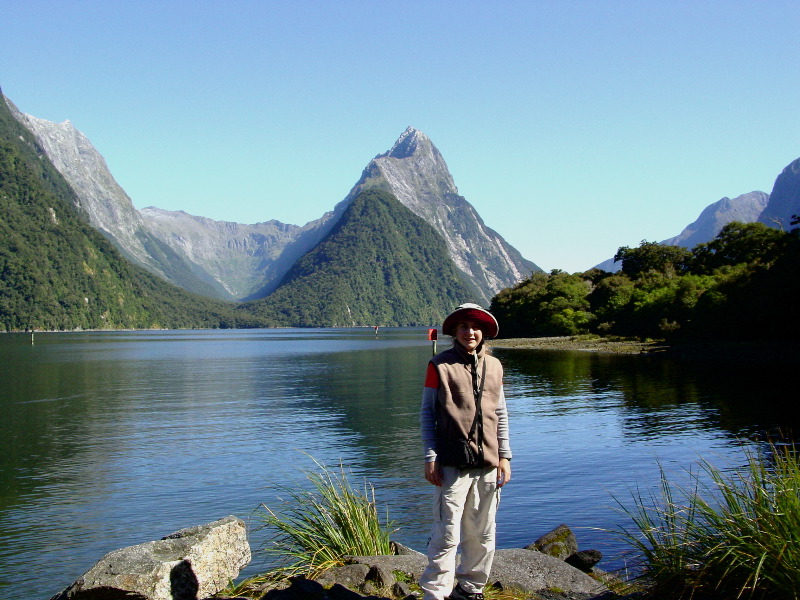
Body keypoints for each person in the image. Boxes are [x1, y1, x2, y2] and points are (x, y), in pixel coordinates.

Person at [419, 303, 512, 600]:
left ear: (483, 332)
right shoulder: (439, 366)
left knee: (483, 534)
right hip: (451, 465)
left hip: (487, 464)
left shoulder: (495, 367)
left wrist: (505, 456)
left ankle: (470, 588)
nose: (469, 332)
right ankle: (436, 593)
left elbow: (501, 413)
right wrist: (431, 456)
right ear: (454, 332)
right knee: (447, 534)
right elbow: (427, 414)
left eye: (475, 327)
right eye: (463, 327)